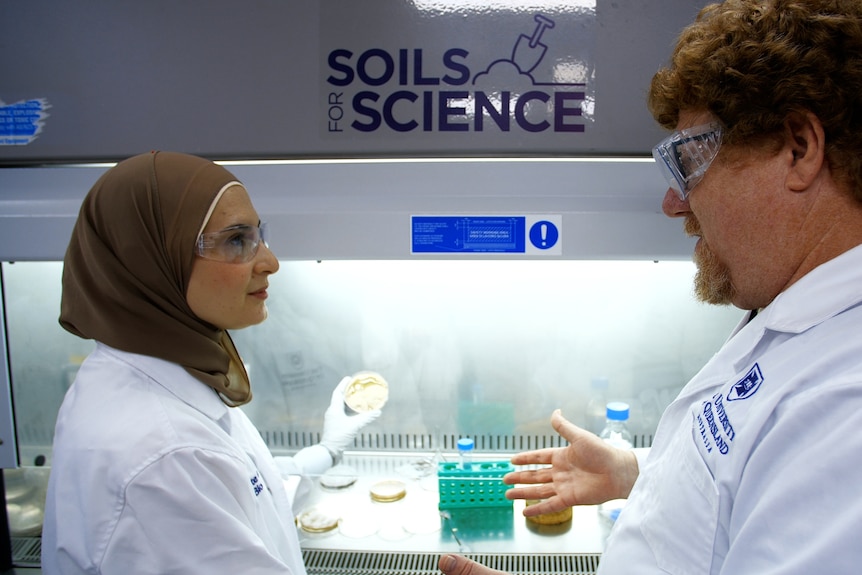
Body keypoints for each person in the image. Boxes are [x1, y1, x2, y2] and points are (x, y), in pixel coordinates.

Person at [439, 1, 862, 573]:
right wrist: (636, 474)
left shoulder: (844, 412)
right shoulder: (795, 317)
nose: (674, 202)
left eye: (689, 161)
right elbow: (737, 490)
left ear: (798, 149)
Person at [41, 151, 380, 574]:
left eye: (258, 234)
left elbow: (233, 495)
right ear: (153, 261)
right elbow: (193, 481)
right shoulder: (166, 456)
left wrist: (323, 455)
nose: (270, 262)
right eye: (236, 240)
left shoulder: (147, 377)